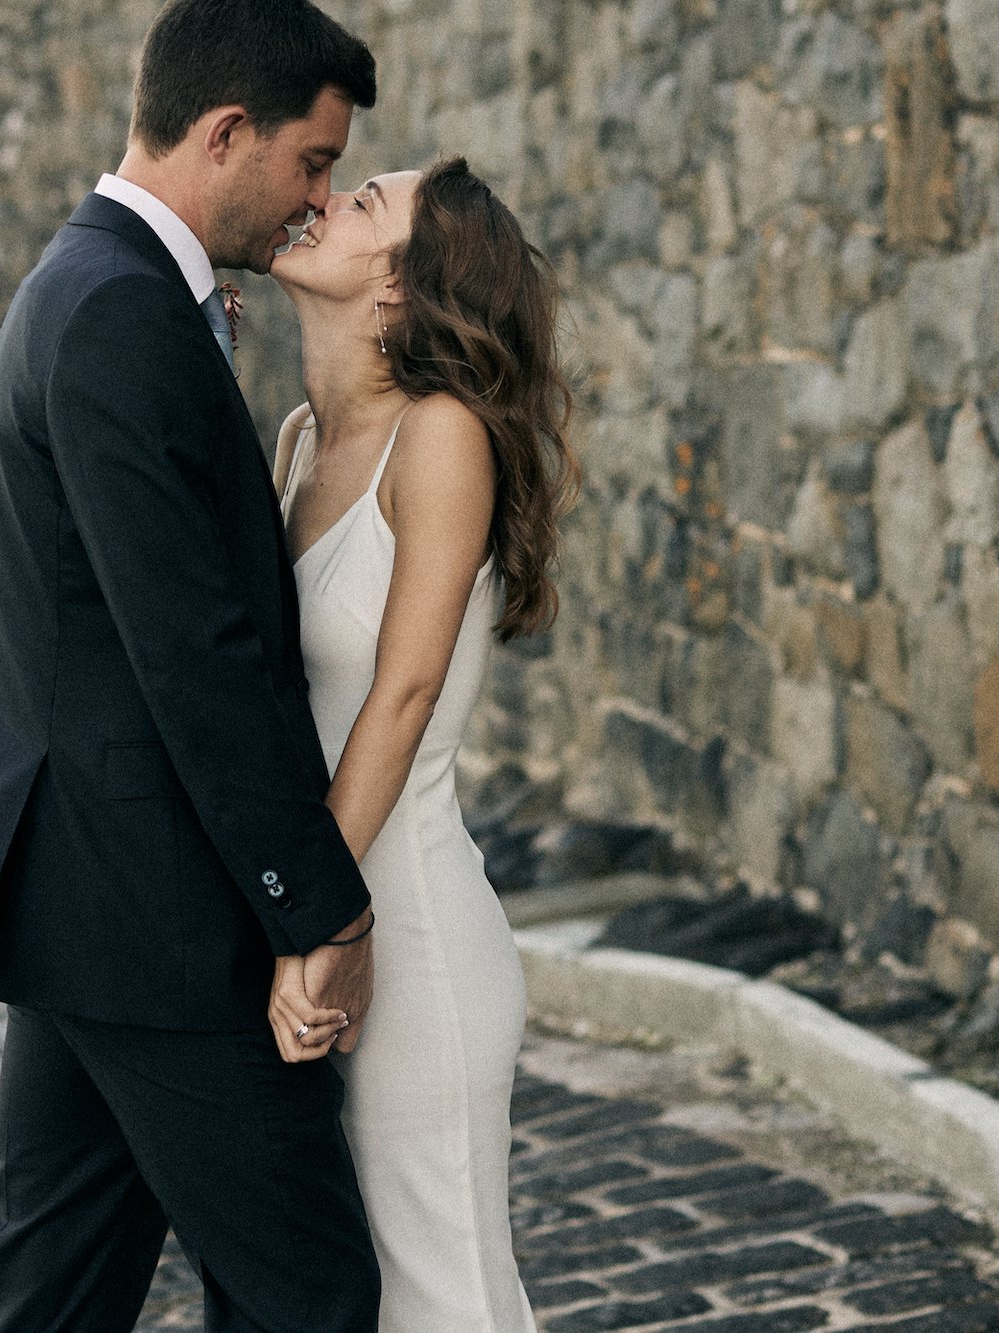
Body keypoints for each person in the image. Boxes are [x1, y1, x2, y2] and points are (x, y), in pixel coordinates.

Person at [0, 1, 387, 1328]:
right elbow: (192, 656)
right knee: (308, 1290)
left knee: (52, 1297)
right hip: (159, 921)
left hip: (81, 907)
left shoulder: (92, 285)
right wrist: (317, 908)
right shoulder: (118, 313)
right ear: (226, 132)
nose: (313, 199)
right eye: (312, 162)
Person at [264, 156, 577, 1330]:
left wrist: (309, 913)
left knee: (445, 1297)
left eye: (364, 205)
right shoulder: (297, 440)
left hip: (414, 941)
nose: (326, 200)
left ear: (398, 286)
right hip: (335, 915)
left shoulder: (441, 435)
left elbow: (400, 697)